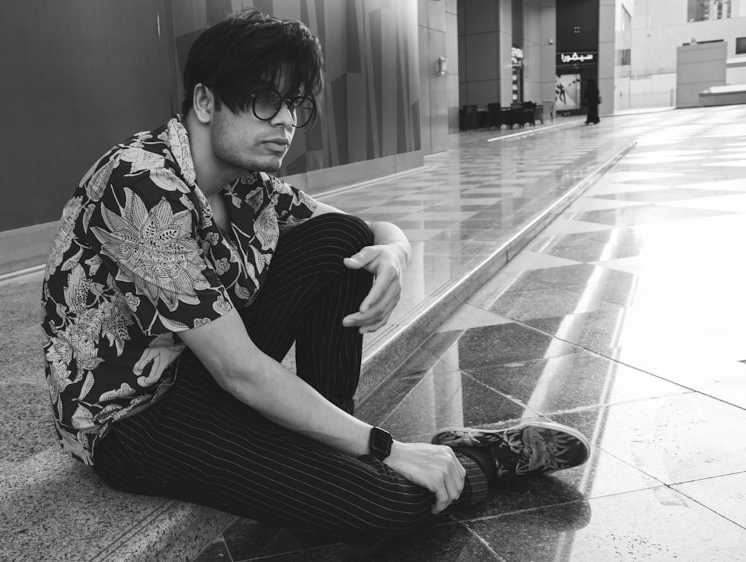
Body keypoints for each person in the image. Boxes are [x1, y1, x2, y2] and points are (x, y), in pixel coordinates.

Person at [41, 9, 591, 538]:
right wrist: (387, 448)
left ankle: (337, 440)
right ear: (205, 101)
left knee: (344, 241)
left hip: (198, 375)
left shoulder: (245, 182)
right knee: (388, 501)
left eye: (294, 105)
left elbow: (363, 228)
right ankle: (482, 459)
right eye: (264, 100)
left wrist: (395, 252)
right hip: (136, 421)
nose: (285, 121)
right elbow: (239, 372)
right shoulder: (141, 184)